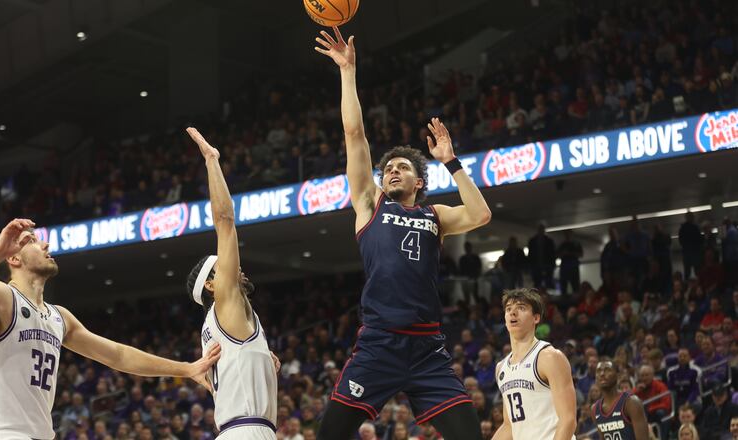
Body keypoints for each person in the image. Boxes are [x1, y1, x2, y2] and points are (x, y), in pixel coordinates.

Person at [314, 27, 491, 440]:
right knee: (329, 435)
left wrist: (452, 162)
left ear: (418, 183)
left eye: (402, 168)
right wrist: (347, 71)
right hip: (379, 343)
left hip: (428, 348)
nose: (391, 170)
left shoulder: (436, 214)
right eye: (387, 167)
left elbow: (481, 215)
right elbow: (354, 134)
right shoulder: (369, 203)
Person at [0, 219, 220, 439]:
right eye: (30, 241)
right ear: (13, 259)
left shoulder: (59, 317)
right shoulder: (0, 295)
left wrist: (186, 368)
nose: (44, 243)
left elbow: (118, 355)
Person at [185, 128, 279, 439]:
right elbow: (224, 221)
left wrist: (263, 362)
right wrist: (212, 161)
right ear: (212, 285)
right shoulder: (225, 303)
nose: (236, 269)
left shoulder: (218, 325)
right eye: (223, 268)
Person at [493, 288, 576, 440]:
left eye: (521, 308)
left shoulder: (549, 357)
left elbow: (568, 419)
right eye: (508, 309)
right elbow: (509, 426)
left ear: (536, 318)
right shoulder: (501, 368)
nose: (513, 313)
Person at [591, 360, 650, 440]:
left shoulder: (631, 402)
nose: (602, 374)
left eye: (607, 370)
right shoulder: (594, 409)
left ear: (617, 375)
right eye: (598, 371)